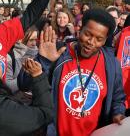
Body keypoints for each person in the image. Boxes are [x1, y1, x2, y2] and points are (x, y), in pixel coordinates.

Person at [19, 8, 126, 136]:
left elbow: (118, 98)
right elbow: (23, 84)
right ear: (79, 30)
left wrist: (118, 113)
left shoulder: (112, 64)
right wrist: (44, 60)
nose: (91, 42)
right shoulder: (58, 53)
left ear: (105, 40)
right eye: (88, 34)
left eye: (99, 39)